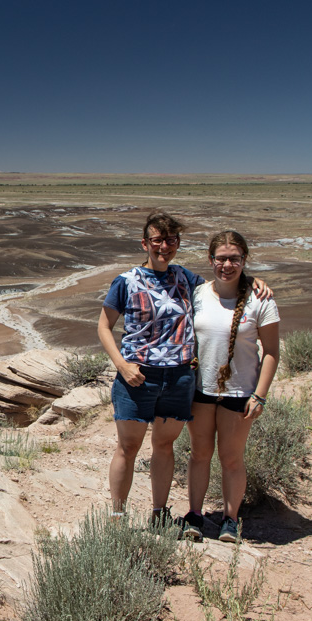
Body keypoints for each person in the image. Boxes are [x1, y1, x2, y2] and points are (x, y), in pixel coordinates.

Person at [98, 214, 269, 526]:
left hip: (178, 379)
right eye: (157, 240)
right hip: (137, 377)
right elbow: (104, 326)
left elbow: (223, 283)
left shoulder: (186, 278)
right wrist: (121, 365)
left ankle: (159, 513)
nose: (165, 246)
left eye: (171, 240)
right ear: (145, 243)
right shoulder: (125, 281)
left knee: (164, 445)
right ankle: (117, 517)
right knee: (128, 447)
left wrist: (252, 281)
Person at [182, 230, 280, 543]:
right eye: (221, 258)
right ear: (211, 260)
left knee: (232, 459)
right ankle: (195, 516)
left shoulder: (260, 299)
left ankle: (230, 519)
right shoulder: (198, 293)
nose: (227, 264)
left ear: (244, 260)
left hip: (240, 392)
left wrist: (260, 395)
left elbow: (272, 352)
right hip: (201, 389)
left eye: (234, 259)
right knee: (199, 454)